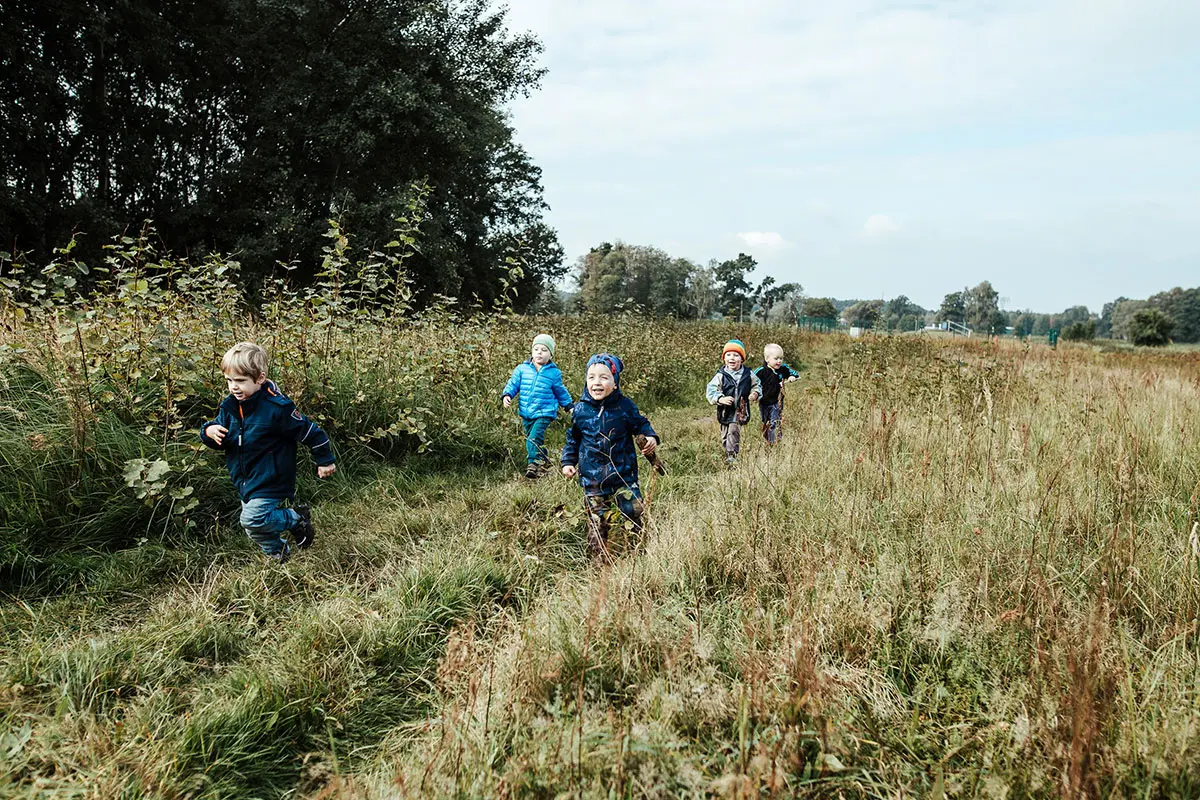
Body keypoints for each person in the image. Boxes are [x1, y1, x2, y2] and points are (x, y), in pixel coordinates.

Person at [200, 342, 336, 562]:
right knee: (254, 526)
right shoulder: (230, 407)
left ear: (260, 378)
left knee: (252, 518)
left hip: (272, 477)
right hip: (246, 478)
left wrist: (325, 460)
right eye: (229, 380)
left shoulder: (278, 408)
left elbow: (311, 432)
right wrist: (209, 431)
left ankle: (295, 519)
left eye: (241, 381)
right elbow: (220, 437)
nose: (234, 387)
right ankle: (278, 556)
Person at [561, 353, 659, 558]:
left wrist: (650, 437)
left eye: (604, 377)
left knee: (634, 511)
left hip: (624, 475)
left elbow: (640, 423)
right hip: (592, 479)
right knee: (597, 520)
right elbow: (574, 438)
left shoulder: (624, 406)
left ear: (615, 383)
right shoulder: (580, 410)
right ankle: (599, 559)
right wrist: (568, 461)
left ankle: (637, 550)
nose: (597, 382)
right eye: (591, 377)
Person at [502, 333, 574, 478]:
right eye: (536, 349)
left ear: (551, 355)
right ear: (532, 352)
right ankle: (544, 459)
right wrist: (507, 395)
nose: (539, 352)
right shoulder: (522, 369)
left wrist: (569, 406)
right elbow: (513, 383)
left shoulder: (554, 373)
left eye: (544, 350)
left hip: (544, 412)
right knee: (533, 438)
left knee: (533, 438)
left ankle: (533, 464)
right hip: (526, 412)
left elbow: (560, 391)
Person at [705, 339, 761, 464]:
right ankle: (728, 452)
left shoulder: (748, 374)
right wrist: (720, 398)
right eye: (728, 355)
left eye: (736, 355)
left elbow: (757, 385)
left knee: (733, 430)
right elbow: (711, 390)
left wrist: (755, 393)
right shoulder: (721, 375)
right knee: (725, 434)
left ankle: (732, 455)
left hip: (740, 409)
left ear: (742, 359)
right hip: (725, 410)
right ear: (724, 358)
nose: (732, 358)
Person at [753, 343, 800, 445]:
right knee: (766, 421)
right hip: (764, 401)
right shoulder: (761, 371)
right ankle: (767, 439)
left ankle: (775, 442)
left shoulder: (783, 369)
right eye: (776, 358)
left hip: (777, 401)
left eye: (781, 358)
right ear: (767, 359)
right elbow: (750, 380)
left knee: (775, 420)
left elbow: (795, 374)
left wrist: (792, 377)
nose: (779, 361)